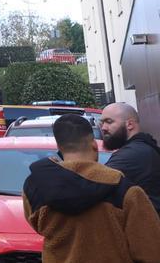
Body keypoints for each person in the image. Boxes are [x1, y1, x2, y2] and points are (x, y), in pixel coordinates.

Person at [23, 113, 160, 263]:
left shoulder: (34, 187)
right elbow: (150, 251)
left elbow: (38, 227)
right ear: (94, 144)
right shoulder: (126, 190)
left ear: (59, 147)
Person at [102, 102, 160, 212]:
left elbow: (94, 183)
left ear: (129, 124)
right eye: (102, 123)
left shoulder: (132, 154)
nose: (104, 128)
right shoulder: (142, 147)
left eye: (109, 122)